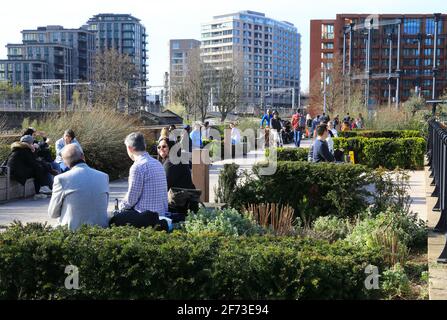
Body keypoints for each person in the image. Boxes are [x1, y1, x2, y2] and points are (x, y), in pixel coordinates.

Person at [47, 144, 109, 231]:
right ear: (83, 156)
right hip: (101, 230)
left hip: (73, 232)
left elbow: (53, 213)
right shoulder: (103, 176)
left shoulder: (61, 179)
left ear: (65, 162)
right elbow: (103, 205)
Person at [119, 132, 168, 216]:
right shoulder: (158, 163)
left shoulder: (137, 167)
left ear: (130, 148)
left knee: (116, 218)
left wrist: (121, 206)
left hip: (145, 217)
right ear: (144, 146)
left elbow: (131, 199)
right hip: (162, 215)